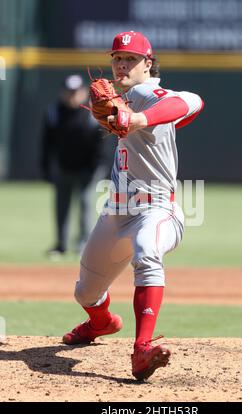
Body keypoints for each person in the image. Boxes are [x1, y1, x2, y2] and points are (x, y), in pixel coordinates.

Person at [62, 31, 204, 380]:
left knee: (147, 251)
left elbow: (193, 100)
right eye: (117, 58)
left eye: (131, 59)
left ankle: (142, 350)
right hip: (115, 214)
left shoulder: (146, 93)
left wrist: (137, 118)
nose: (122, 64)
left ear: (149, 64)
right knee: (86, 291)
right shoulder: (126, 99)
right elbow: (167, 117)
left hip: (157, 210)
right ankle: (102, 323)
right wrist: (118, 115)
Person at [41, 75, 106, 256]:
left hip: (88, 168)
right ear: (62, 93)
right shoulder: (54, 112)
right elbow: (47, 144)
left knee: (85, 204)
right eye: (69, 92)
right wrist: (46, 169)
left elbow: (101, 144)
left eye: (75, 92)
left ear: (84, 92)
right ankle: (60, 244)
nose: (72, 96)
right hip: (64, 167)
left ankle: (84, 244)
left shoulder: (93, 112)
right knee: (62, 206)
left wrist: (96, 167)